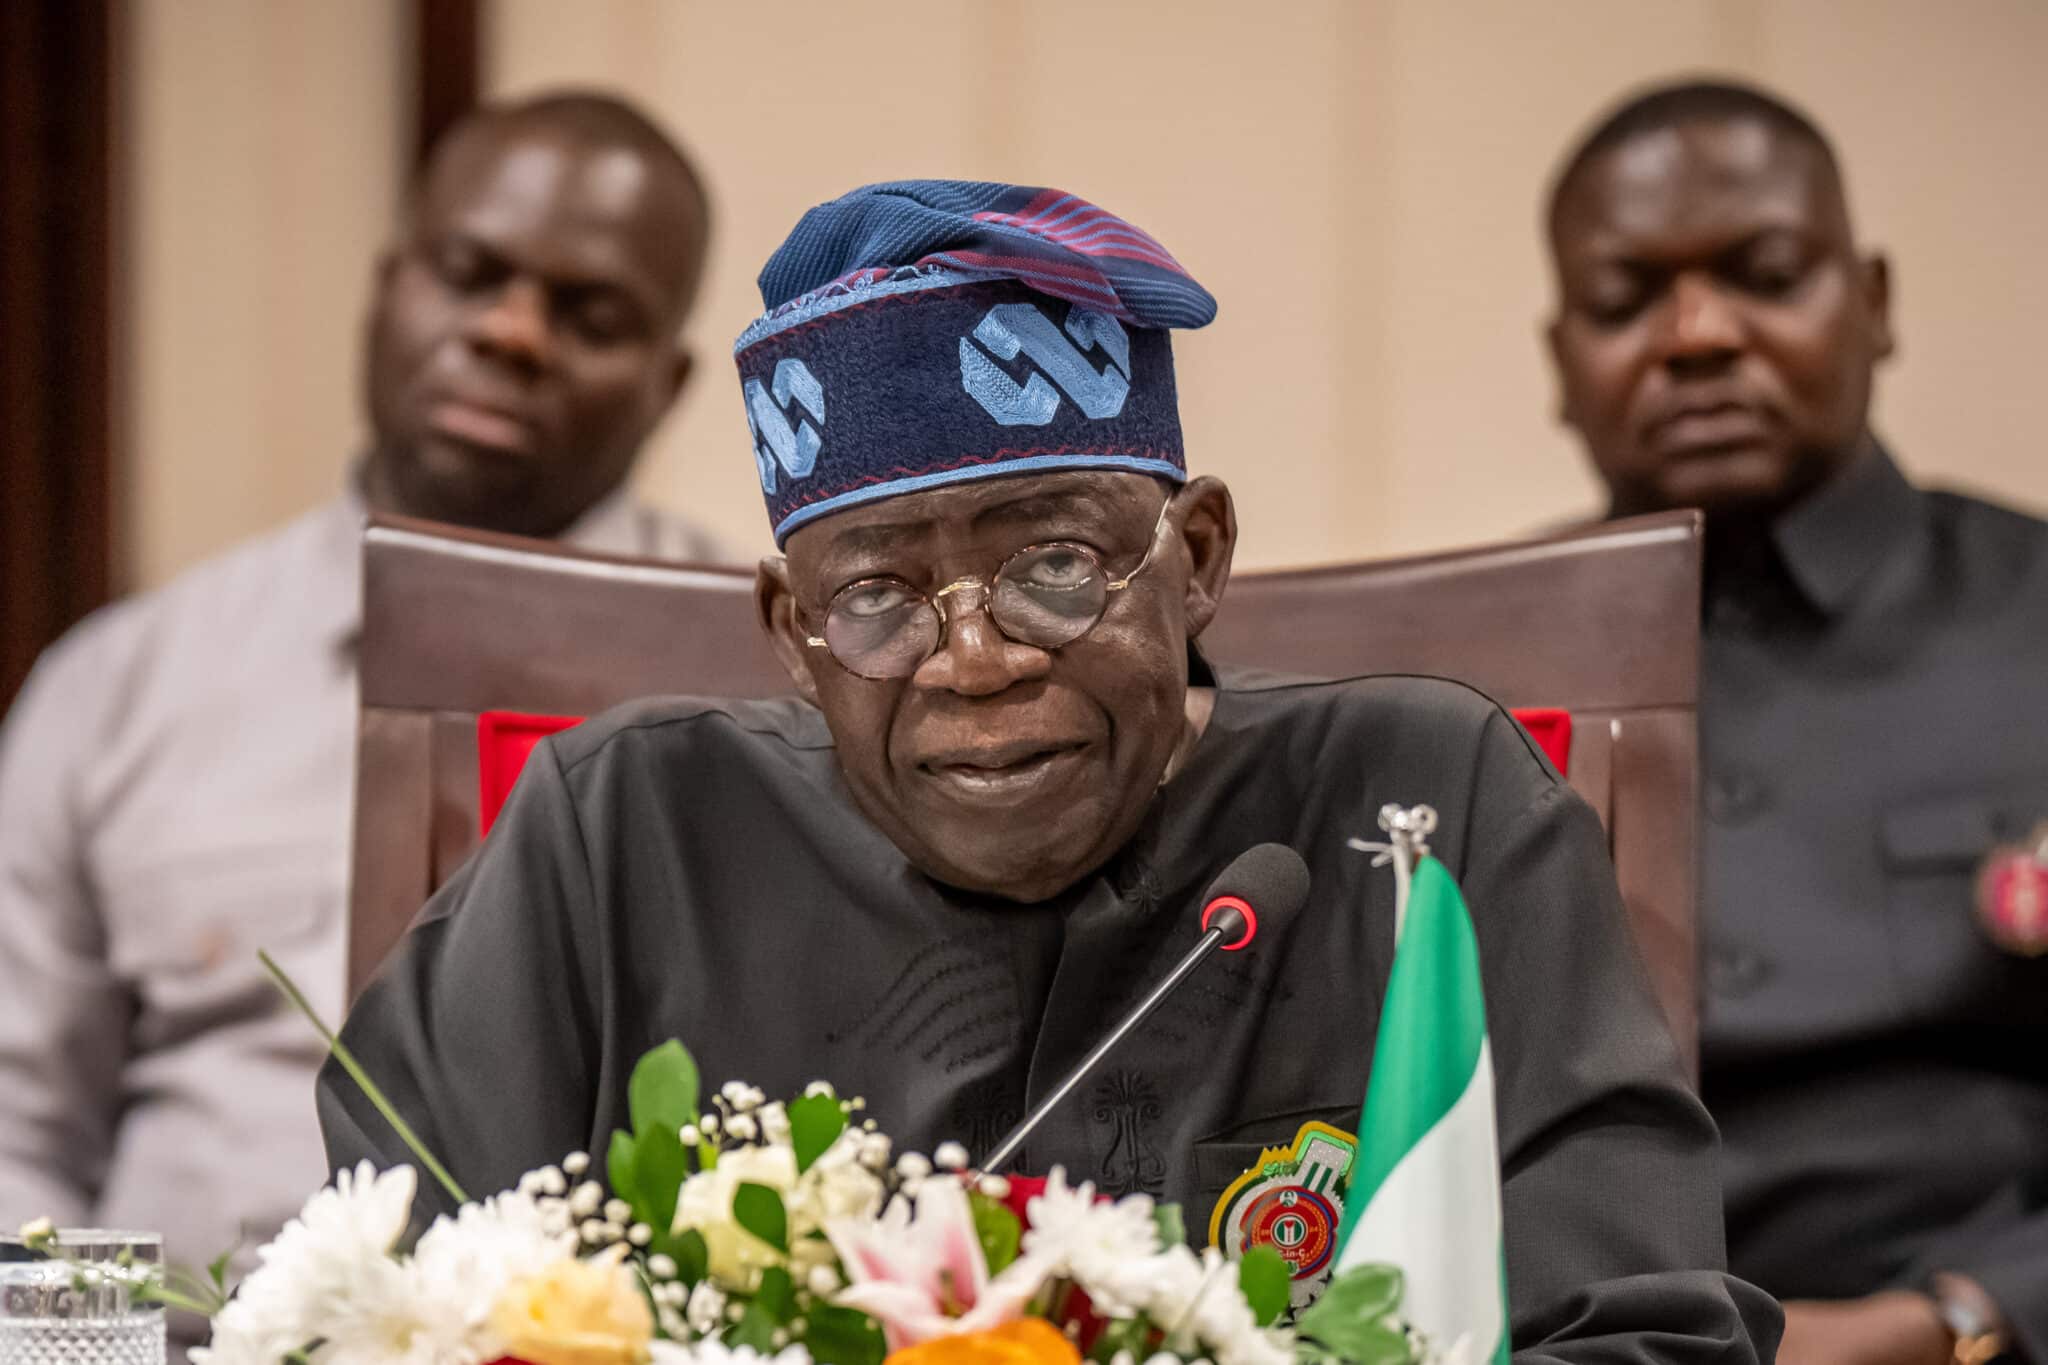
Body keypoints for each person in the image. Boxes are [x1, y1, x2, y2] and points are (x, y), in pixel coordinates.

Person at [323, 180, 1778, 1362]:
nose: (976, 662)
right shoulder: (619, 835)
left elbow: (1643, 1335)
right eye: (879, 600)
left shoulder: (1425, 804)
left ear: (1196, 558)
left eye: (1057, 567)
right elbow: (391, 1314)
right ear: (791, 632)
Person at [0, 90, 729, 1360]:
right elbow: (17, 1136)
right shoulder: (123, 685)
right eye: (470, 273)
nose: (511, 332)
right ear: (389, 287)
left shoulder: (765, 692)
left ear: (666, 382)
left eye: (589, 314)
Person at [1544, 79, 2048, 1365]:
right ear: (1561, 362)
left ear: (1872, 305)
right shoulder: (1454, 667)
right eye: (1622, 301)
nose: (1697, 334)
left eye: (1764, 274)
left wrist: (1962, 1318)